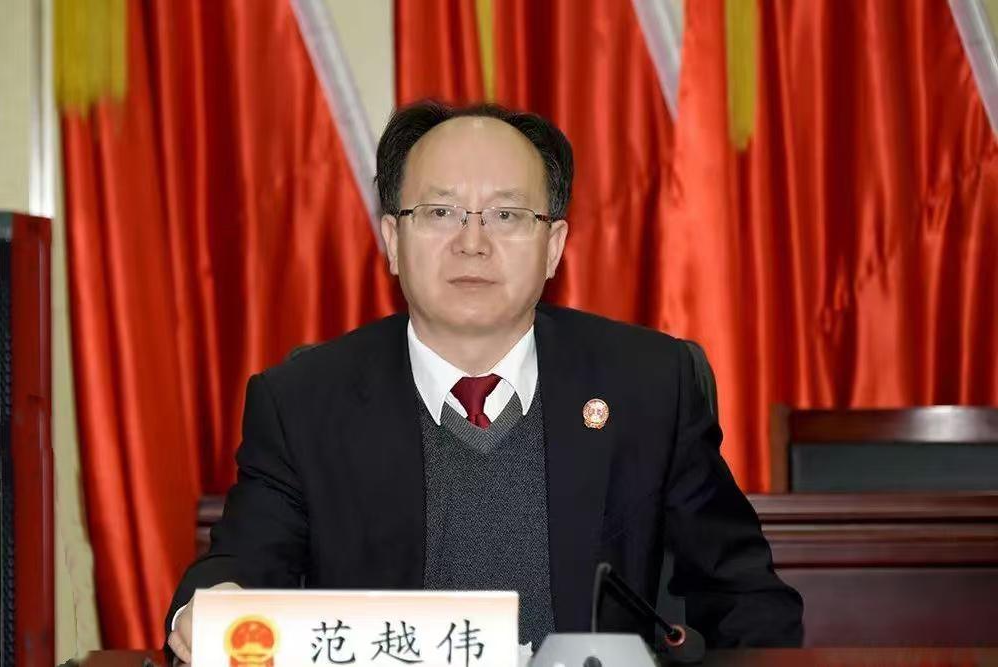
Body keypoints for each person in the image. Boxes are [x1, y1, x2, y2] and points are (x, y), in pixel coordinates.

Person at [165, 101, 803, 662]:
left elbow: (745, 599)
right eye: (440, 211)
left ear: (553, 247)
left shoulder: (648, 385)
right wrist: (209, 608)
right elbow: (238, 570)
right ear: (393, 240)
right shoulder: (303, 403)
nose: (472, 242)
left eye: (507, 215)